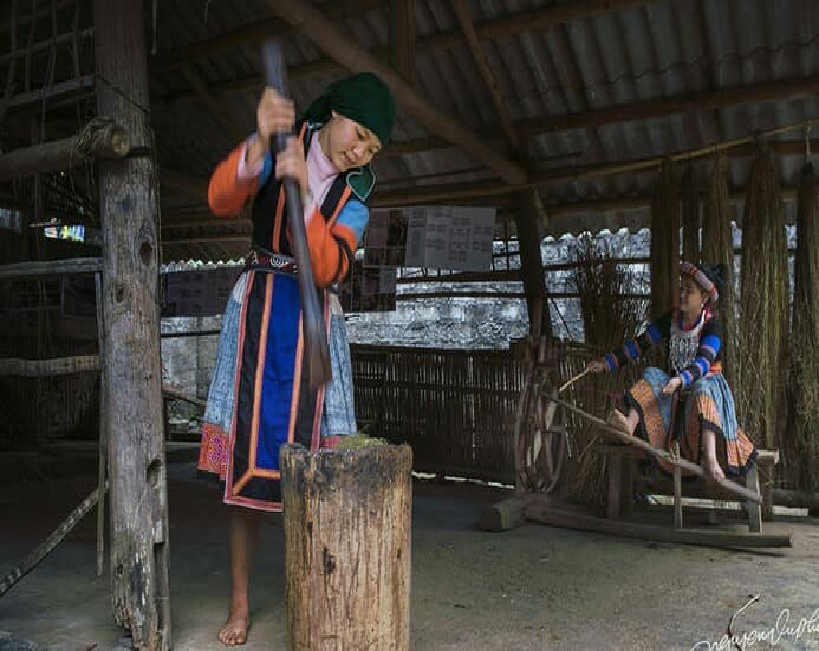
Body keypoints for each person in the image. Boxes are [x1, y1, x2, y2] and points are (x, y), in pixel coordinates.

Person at [196, 72, 395, 646]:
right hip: (258, 307)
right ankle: (239, 604)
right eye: (358, 133)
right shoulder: (284, 139)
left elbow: (332, 266)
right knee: (248, 468)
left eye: (373, 147)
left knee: (321, 470)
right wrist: (260, 145)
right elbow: (217, 199)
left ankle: (318, 596)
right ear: (335, 114)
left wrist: (304, 199)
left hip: (314, 322)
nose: (360, 150)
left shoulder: (356, 193)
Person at [586, 261, 756, 483]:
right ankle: (628, 424)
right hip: (675, 388)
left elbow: (704, 362)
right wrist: (608, 363)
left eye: (689, 291)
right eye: (682, 288)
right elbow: (640, 344)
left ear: (704, 297)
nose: (682, 294)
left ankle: (710, 457)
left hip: (707, 386)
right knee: (652, 374)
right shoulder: (672, 319)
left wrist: (681, 380)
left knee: (702, 388)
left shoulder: (712, 326)